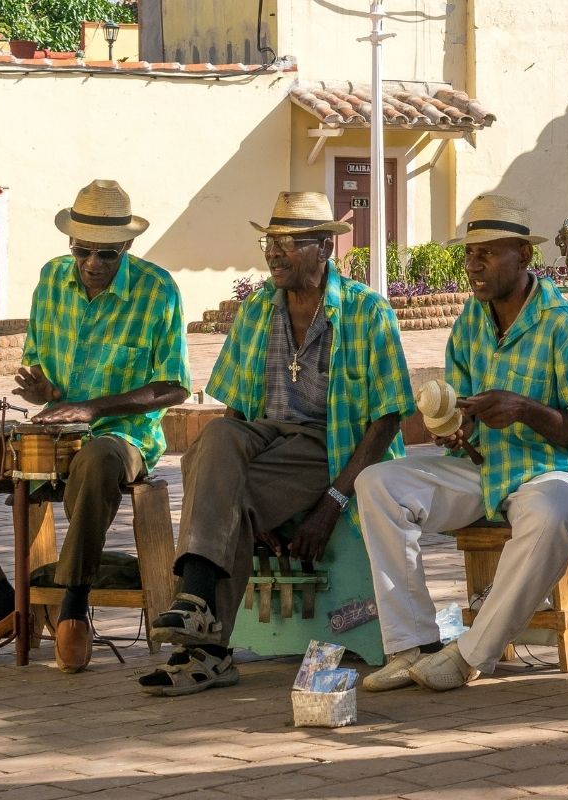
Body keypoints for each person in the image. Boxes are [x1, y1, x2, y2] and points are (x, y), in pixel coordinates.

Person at [0, 179, 191, 674]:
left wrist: (93, 408)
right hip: (48, 435)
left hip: (123, 439)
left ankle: (74, 606)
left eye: (107, 254)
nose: (93, 264)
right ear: (70, 245)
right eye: (83, 251)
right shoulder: (52, 278)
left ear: (127, 247)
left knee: (97, 459)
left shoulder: (158, 289)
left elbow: (174, 387)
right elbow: (40, 368)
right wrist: (43, 391)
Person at [138, 191, 416, 696]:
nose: (273, 253)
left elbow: (389, 416)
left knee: (233, 499)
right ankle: (199, 614)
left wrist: (332, 501)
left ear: (325, 248)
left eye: (289, 242)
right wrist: (232, 480)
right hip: (264, 439)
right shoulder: (257, 311)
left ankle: (203, 650)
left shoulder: (365, 311)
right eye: (269, 241)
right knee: (216, 437)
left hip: (328, 445)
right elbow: (235, 413)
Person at [355, 194, 568, 692]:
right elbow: (462, 413)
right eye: (470, 254)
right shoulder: (470, 323)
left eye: (488, 253)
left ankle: (469, 654)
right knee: (378, 483)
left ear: (524, 256)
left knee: (549, 511)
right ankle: (413, 645)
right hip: (486, 468)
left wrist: (526, 410)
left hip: (558, 472)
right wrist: (454, 426)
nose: (474, 264)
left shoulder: (567, 327)